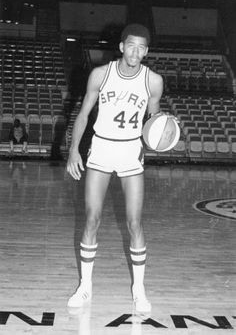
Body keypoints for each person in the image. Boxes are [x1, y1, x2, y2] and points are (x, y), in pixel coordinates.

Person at [66, 23, 163, 313]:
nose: (136, 51)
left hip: (130, 151)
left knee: (135, 222)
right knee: (92, 218)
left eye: (142, 47)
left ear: (146, 51)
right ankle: (85, 287)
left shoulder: (153, 81)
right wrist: (73, 150)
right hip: (102, 148)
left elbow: (154, 121)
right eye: (131, 45)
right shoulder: (101, 74)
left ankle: (139, 289)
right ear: (121, 47)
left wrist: (166, 129)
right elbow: (83, 115)